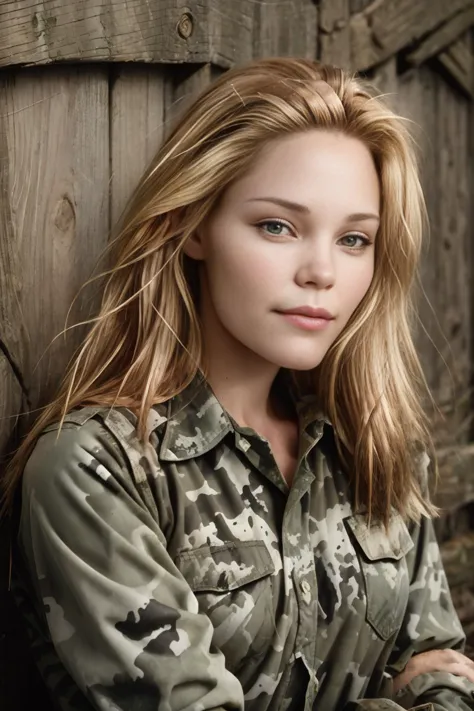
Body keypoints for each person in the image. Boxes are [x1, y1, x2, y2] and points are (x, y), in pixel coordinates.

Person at [3, 57, 474, 711]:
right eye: (277, 226)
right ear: (195, 223)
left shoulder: (370, 440)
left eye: (354, 239)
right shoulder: (96, 467)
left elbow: (445, 667)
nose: (321, 272)